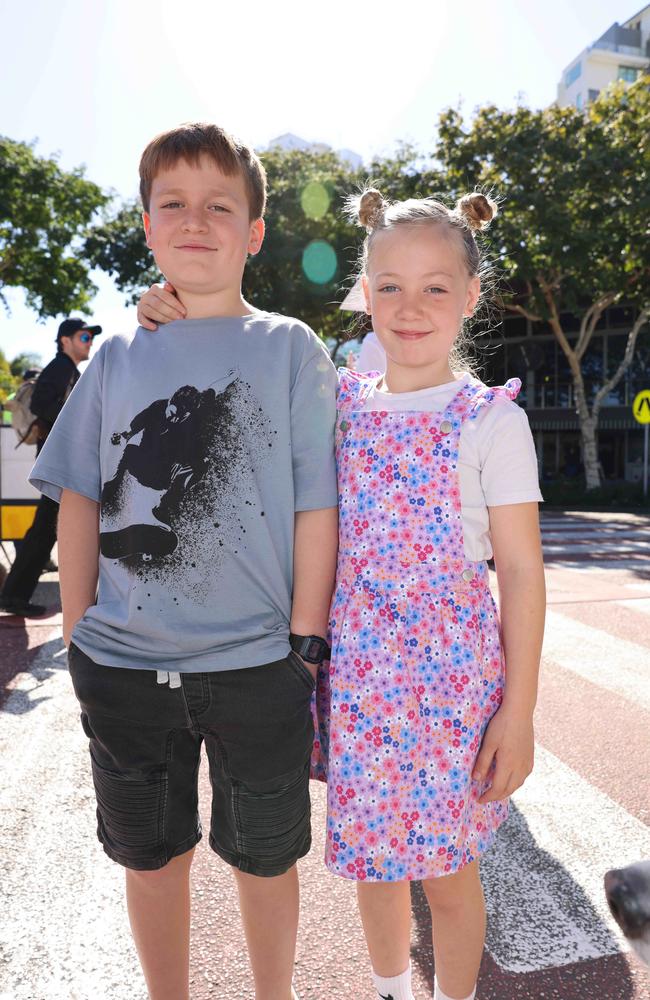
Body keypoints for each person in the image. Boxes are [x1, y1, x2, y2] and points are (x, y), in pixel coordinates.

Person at [30, 123, 338, 1000]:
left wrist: (303, 643)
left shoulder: (290, 348)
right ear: (146, 224)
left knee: (266, 860)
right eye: (174, 204)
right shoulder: (120, 352)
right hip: (124, 669)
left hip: (256, 667)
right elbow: (80, 495)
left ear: (255, 232)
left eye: (219, 206)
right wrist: (83, 629)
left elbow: (318, 500)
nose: (194, 221)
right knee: (149, 857)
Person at [316, 188, 545, 1000]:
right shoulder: (337, 408)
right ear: (365, 290)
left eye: (435, 287)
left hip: (457, 693)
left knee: (448, 878)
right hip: (363, 685)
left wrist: (517, 714)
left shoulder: (492, 420)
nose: (410, 308)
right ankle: (388, 991)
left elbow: (520, 572)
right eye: (389, 286)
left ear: (471, 296)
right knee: (374, 866)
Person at [0, 320, 100, 616]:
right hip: (61, 460)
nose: (88, 341)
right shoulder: (61, 367)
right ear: (64, 341)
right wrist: (77, 426)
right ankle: (14, 596)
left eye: (90, 337)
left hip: (60, 459)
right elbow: (42, 402)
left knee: (46, 529)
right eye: (83, 336)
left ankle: (14, 595)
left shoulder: (68, 369)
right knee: (46, 529)